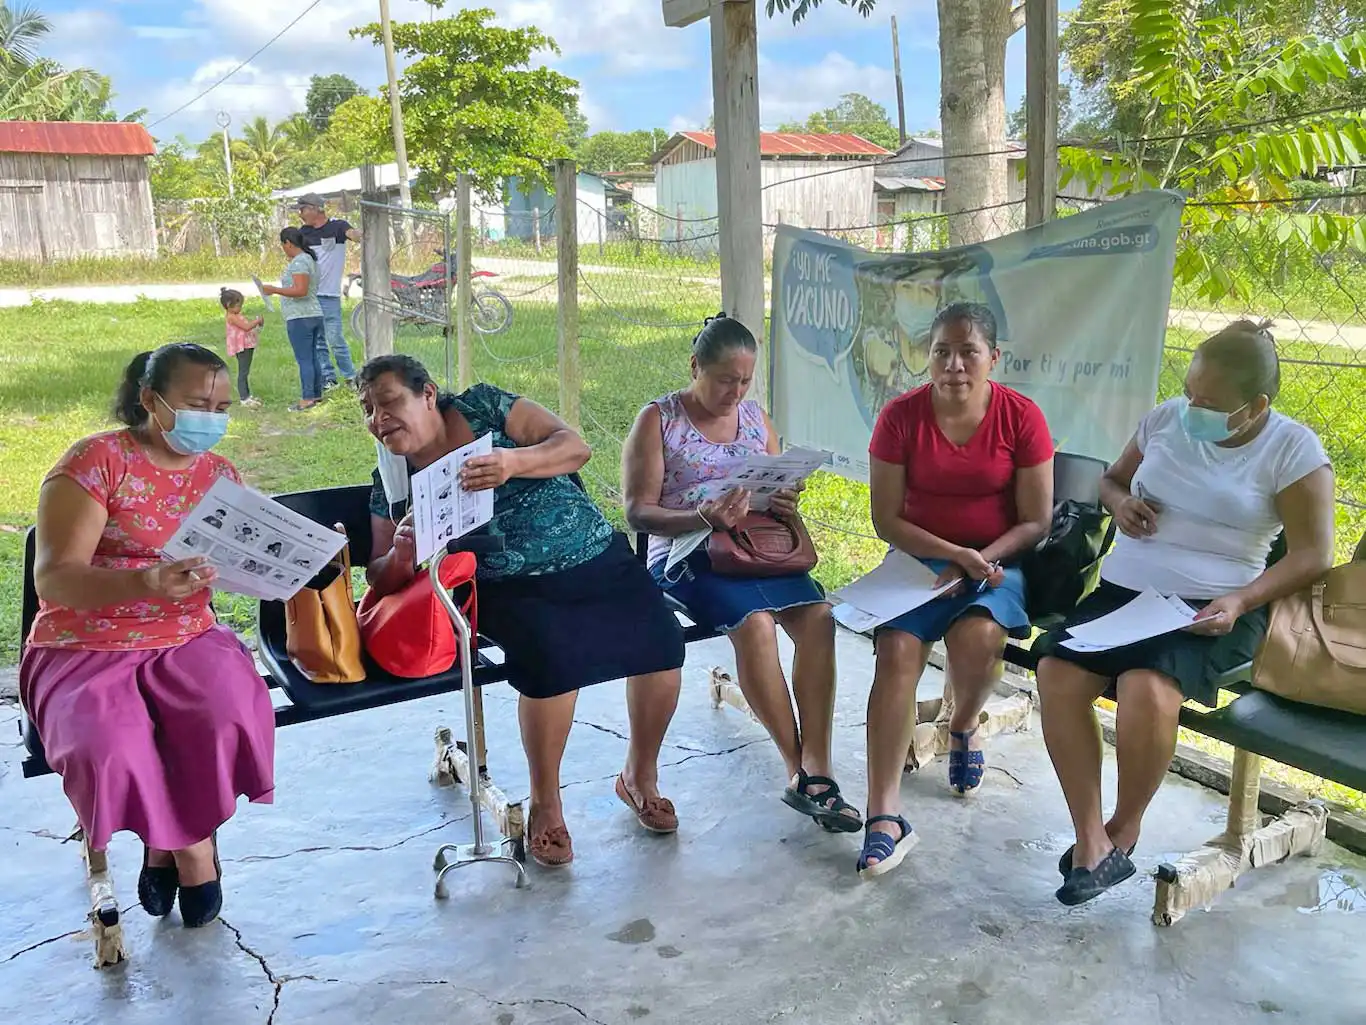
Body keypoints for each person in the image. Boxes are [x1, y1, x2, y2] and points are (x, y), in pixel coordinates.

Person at [1035, 320, 1334, 906]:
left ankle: (1125, 827)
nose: (1192, 407)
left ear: (1257, 406)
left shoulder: (1292, 449)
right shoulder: (1167, 419)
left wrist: (1242, 601)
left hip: (1216, 604)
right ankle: (1090, 836)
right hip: (1126, 592)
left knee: (1147, 686)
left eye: (1211, 402)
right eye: (1191, 392)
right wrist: (1121, 504)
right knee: (1057, 673)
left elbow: (1313, 554)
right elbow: (1111, 481)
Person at [358, 355, 686, 868]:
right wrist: (402, 552)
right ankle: (546, 803)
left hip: (593, 553)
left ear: (428, 394)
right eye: (369, 411)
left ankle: (639, 777)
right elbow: (378, 575)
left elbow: (575, 447)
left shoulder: (486, 406)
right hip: (503, 583)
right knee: (551, 663)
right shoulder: (395, 478)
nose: (380, 419)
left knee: (663, 645)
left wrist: (512, 463)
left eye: (389, 402)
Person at [21, 343, 275, 929]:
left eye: (221, 404)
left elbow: (233, 560)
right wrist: (146, 581)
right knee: (108, 745)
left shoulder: (219, 474)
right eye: (194, 403)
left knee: (227, 715)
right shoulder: (95, 462)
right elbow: (55, 579)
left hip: (187, 634)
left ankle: (166, 844)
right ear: (149, 400)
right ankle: (192, 850)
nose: (210, 417)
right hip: (84, 643)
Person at [622, 314, 859, 833]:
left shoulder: (756, 419)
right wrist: (703, 517)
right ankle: (800, 771)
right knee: (756, 625)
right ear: (695, 367)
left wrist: (785, 494)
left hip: (756, 545)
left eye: (745, 379)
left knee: (819, 616)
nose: (736, 391)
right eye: (725, 379)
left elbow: (772, 486)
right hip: (688, 552)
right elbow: (638, 512)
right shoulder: (659, 419)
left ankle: (818, 764)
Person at [858, 301, 1054, 878]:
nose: (954, 364)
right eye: (941, 351)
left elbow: (1036, 521)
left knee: (979, 637)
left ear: (994, 357)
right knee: (895, 651)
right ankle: (884, 814)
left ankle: (962, 724)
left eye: (969, 351)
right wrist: (947, 555)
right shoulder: (900, 417)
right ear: (928, 358)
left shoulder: (1021, 417)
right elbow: (886, 519)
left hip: (996, 561)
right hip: (920, 559)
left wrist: (976, 561)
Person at [297, 193, 361, 389]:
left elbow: (356, 236)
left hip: (330, 295)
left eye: (303, 209)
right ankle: (328, 378)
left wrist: (361, 225)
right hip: (310, 295)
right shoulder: (303, 233)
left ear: (316, 209)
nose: (300, 214)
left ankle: (350, 377)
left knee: (335, 338)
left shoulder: (338, 227)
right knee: (318, 341)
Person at [260, 227, 324, 413]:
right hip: (313, 313)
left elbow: (300, 290)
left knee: (304, 358)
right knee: (312, 356)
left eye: (283, 245)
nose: (283, 249)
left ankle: (307, 398)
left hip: (300, 316)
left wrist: (274, 290)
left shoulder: (299, 262)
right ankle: (316, 393)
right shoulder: (310, 259)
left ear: (288, 243)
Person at [219, 287, 263, 408]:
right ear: (228, 305)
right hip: (242, 347)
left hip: (247, 345)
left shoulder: (237, 314)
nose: (240, 308)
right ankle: (244, 398)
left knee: (246, 371)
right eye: (238, 305)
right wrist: (257, 321)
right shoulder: (232, 317)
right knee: (243, 372)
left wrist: (258, 325)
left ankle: (247, 395)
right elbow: (246, 327)